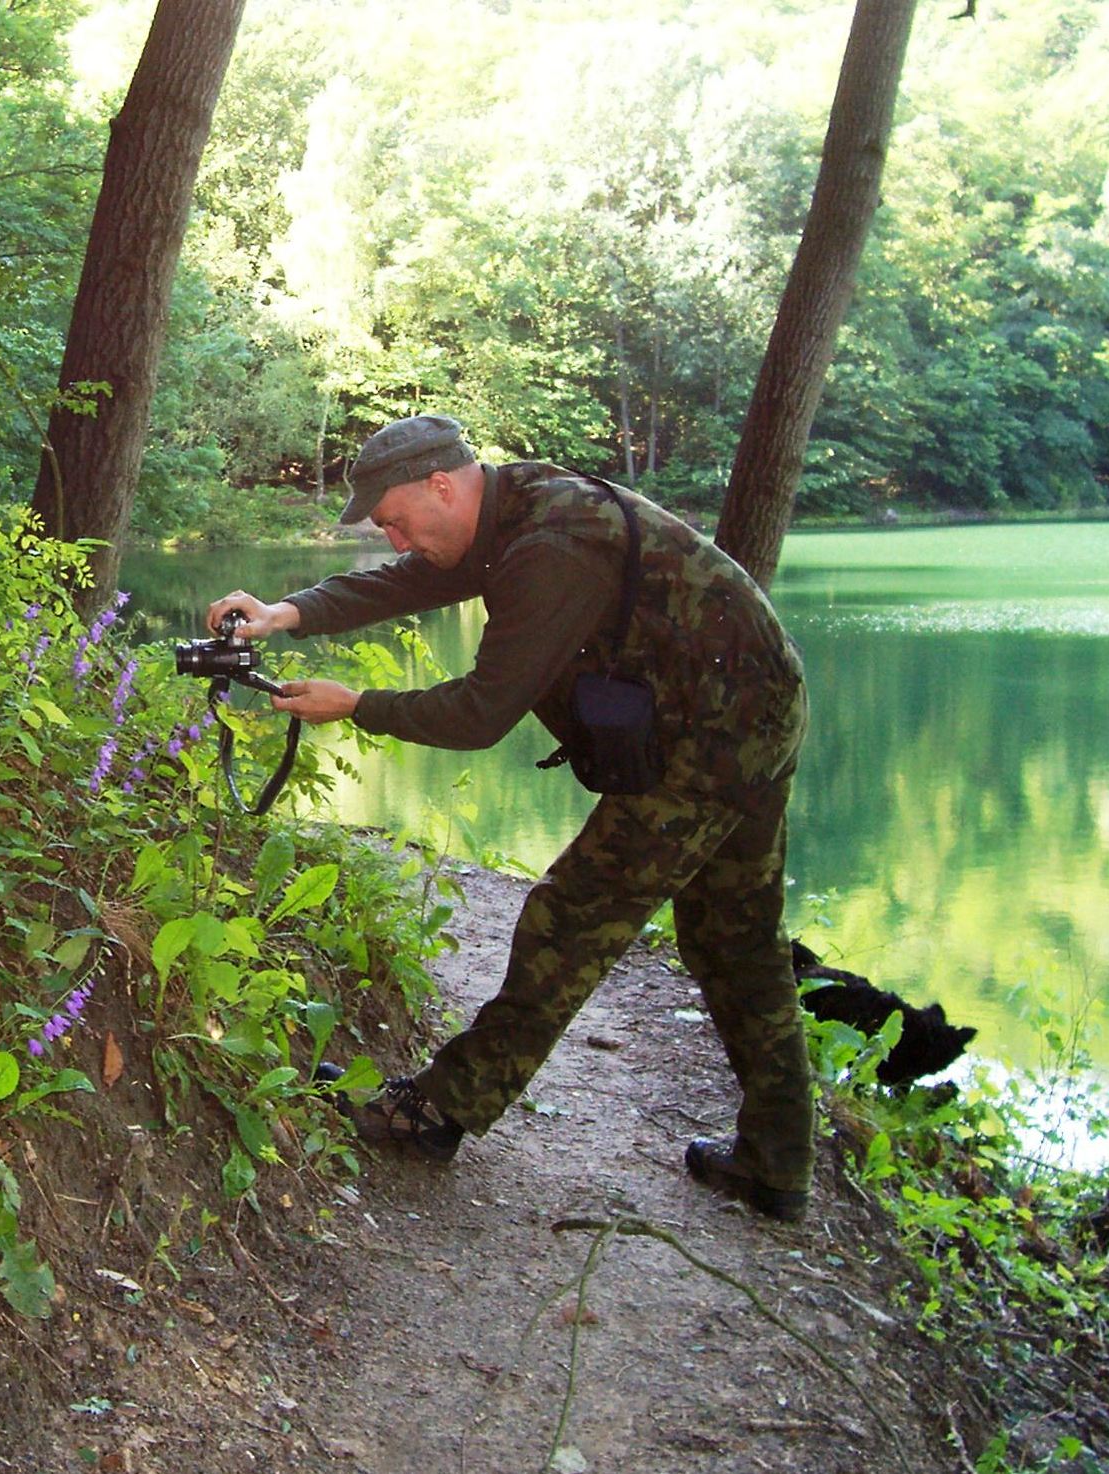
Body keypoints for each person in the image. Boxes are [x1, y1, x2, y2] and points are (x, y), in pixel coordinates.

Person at [205, 413, 814, 1221]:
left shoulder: (550, 548)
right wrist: (287, 612)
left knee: (575, 918)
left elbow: (483, 711)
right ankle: (778, 1163)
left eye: (392, 519)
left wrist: (357, 705)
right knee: (735, 937)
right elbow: (413, 580)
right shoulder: (507, 505)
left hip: (721, 731)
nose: (391, 539)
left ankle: (438, 1112)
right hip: (751, 705)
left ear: (441, 485)